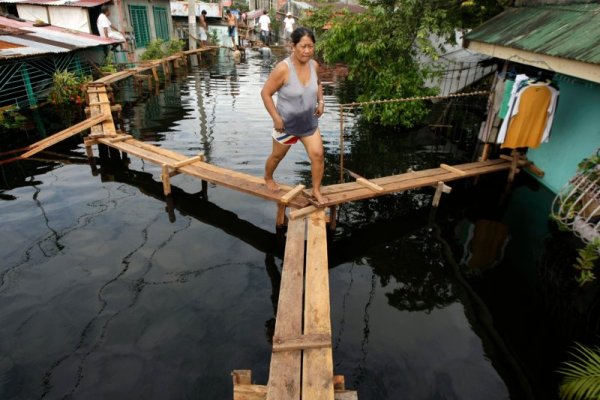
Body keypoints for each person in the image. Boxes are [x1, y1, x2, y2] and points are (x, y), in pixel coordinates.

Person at [261, 27, 327, 205]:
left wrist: (320, 101)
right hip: (286, 125)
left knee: (318, 155)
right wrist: (276, 117)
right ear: (293, 46)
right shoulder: (283, 69)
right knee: (277, 156)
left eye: (310, 46)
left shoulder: (314, 65)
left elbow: (319, 84)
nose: (307, 51)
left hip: (309, 123)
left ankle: (315, 190)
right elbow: (265, 93)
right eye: (303, 46)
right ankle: (268, 177)